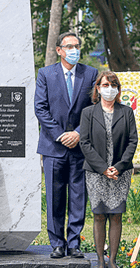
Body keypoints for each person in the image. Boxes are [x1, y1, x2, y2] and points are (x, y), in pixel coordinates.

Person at [34, 32, 99, 259]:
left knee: (79, 197)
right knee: (55, 196)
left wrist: (78, 133)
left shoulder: (90, 74)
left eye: (77, 45)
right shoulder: (45, 74)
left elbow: (94, 108)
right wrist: (62, 135)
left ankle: (74, 243)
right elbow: (40, 108)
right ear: (59, 50)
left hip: (81, 148)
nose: (74, 49)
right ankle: (57, 243)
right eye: (69, 46)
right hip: (53, 147)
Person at [79, 71, 138, 268]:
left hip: (120, 172)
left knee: (116, 214)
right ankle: (99, 260)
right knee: (99, 215)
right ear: (98, 88)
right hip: (96, 172)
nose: (109, 89)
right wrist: (103, 168)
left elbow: (132, 141)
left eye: (113, 85)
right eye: (105, 85)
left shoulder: (126, 112)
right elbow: (85, 143)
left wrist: (119, 167)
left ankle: (112, 260)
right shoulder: (88, 113)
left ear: (118, 89)